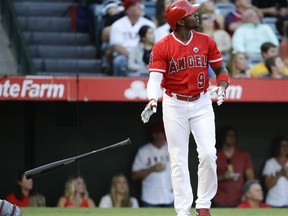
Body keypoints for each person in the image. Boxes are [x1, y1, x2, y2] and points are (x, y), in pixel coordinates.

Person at [140, 1, 230, 215]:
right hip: (174, 104)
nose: (197, 15)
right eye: (192, 13)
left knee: (208, 154)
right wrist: (152, 99)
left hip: (201, 102)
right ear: (180, 21)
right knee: (178, 158)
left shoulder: (206, 41)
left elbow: (221, 68)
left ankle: (203, 204)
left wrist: (222, 87)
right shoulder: (162, 46)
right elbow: (154, 79)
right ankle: (183, 211)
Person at [131, 121, 173, 207]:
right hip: (150, 198)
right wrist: (152, 169)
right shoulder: (144, 151)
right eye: (162, 133)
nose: (165, 136)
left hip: (170, 196)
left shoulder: (171, 149)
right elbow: (134, 175)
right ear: (155, 135)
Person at [109, 0, 155, 76]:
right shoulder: (117, 24)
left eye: (138, 6)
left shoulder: (149, 23)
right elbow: (115, 45)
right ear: (128, 10)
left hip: (145, 54)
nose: (138, 8)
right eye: (135, 6)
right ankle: (118, 85)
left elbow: (154, 43)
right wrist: (133, 56)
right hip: (125, 55)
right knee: (119, 61)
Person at [213, 126, 255, 207]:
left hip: (240, 199)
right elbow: (208, 179)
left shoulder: (243, 155)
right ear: (224, 137)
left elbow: (251, 177)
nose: (232, 138)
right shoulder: (216, 155)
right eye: (229, 135)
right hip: (220, 200)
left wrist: (247, 194)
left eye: (233, 136)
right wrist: (224, 177)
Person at [262, 136, 288, 207]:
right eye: (282, 146)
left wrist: (286, 175)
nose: (285, 148)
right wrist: (279, 174)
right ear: (278, 147)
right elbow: (268, 185)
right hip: (273, 202)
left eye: (287, 146)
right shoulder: (270, 163)